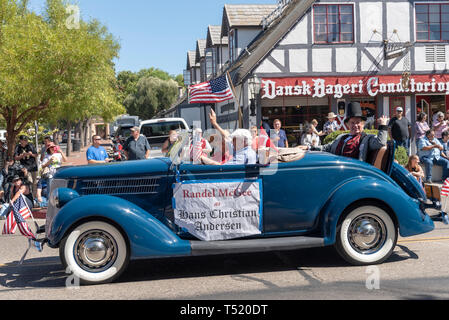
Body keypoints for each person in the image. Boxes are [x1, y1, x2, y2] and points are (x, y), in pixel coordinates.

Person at [306, 102, 389, 162]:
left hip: (352, 172)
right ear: (348, 125)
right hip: (337, 167)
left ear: (363, 124)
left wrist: (383, 125)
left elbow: (380, 142)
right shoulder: (342, 137)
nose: (355, 125)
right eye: (352, 122)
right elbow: (327, 148)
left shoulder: (366, 139)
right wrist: (309, 148)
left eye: (358, 122)